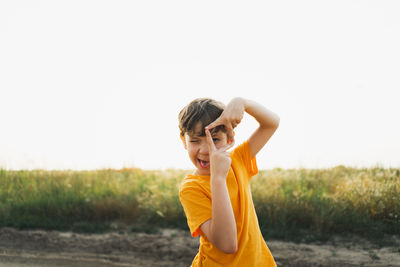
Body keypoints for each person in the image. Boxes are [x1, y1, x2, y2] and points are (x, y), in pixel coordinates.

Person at [178, 97, 279, 266]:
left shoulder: (238, 159)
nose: (205, 150)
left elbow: (272, 123)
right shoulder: (191, 188)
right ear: (184, 141)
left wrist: (243, 103)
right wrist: (218, 178)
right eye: (195, 141)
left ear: (230, 139)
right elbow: (227, 244)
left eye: (215, 139)